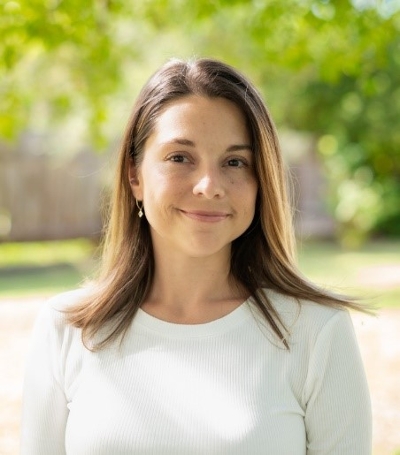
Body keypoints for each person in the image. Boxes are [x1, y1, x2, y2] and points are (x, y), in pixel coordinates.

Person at [21, 58, 372, 454]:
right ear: (134, 176)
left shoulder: (316, 332)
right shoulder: (67, 329)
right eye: (180, 158)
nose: (209, 186)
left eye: (235, 162)